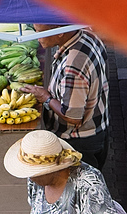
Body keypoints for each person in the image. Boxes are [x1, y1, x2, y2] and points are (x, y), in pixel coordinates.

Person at [22, 24, 110, 169]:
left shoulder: (73, 67)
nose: (36, 38)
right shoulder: (89, 36)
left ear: (59, 31)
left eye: (39, 33)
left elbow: (73, 117)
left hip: (79, 142)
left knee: (81, 188)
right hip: (99, 126)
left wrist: (46, 98)